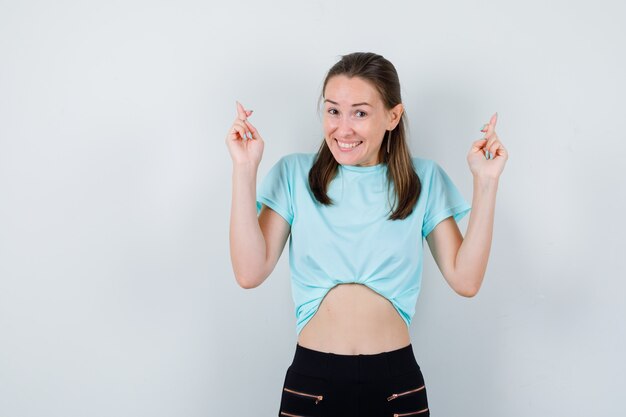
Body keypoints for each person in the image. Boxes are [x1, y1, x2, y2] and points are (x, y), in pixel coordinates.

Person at [226, 52, 508, 417]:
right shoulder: (294, 175)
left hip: (395, 384)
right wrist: (244, 170)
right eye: (333, 111)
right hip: (313, 383)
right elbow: (249, 273)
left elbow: (466, 280)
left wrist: (486, 183)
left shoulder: (424, 181)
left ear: (393, 116)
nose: (343, 129)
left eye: (360, 112)